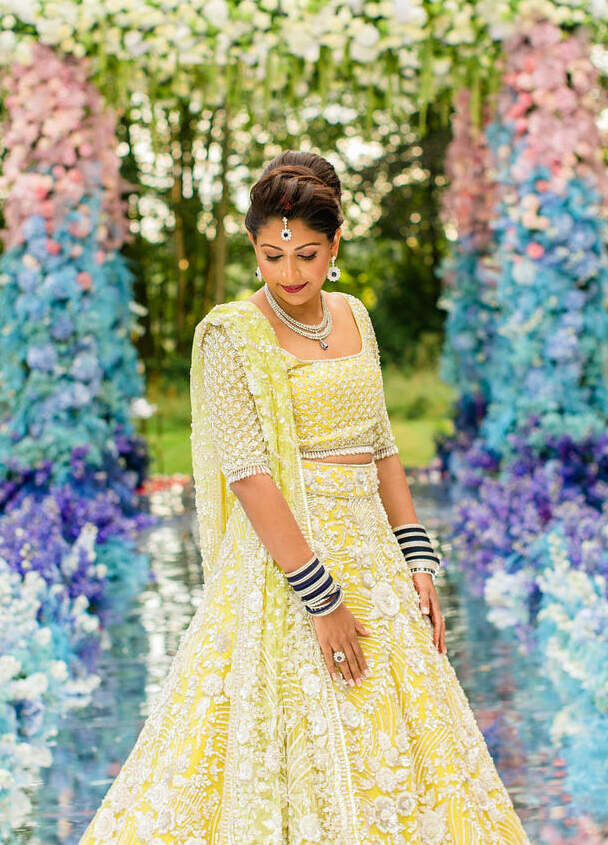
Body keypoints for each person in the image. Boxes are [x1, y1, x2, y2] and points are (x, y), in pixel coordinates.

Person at [79, 150, 531, 844]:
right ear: (254, 247)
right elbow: (251, 477)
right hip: (286, 567)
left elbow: (381, 446)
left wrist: (418, 559)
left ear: (336, 245)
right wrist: (322, 599)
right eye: (271, 256)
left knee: (412, 743)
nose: (290, 274)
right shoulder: (234, 334)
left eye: (308, 255)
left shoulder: (354, 315)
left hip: (377, 562)